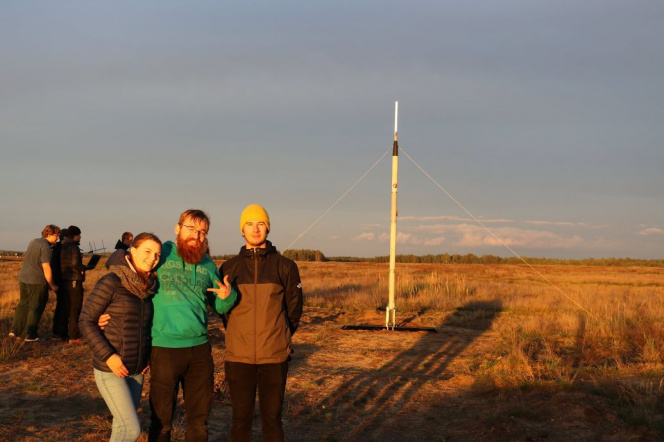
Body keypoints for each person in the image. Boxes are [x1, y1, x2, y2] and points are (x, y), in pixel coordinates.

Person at [147, 209, 237, 441]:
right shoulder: (161, 254)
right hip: (164, 348)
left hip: (199, 351)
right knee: (161, 421)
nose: (196, 236)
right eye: (191, 228)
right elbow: (127, 270)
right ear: (177, 229)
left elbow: (219, 305)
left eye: (202, 232)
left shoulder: (207, 265)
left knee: (199, 422)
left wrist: (228, 295)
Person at [220, 204, 303, 442]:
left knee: (272, 420)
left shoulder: (285, 266)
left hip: (274, 357)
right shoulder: (229, 267)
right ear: (242, 230)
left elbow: (294, 308)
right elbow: (224, 312)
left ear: (268, 227)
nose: (255, 229)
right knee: (240, 420)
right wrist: (238, 334)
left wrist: (282, 336)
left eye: (260, 224)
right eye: (249, 224)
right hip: (238, 357)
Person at [79, 233, 162, 442]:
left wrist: (147, 357)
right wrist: (109, 356)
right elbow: (86, 321)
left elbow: (145, 327)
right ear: (132, 251)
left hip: (136, 371)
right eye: (147, 251)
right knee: (131, 429)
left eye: (157, 255)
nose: (152, 258)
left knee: (120, 426)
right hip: (111, 369)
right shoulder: (112, 281)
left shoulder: (150, 286)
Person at [9, 224, 61, 342]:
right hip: (36, 281)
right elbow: (46, 268)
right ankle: (31, 336)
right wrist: (52, 285)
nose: (57, 239)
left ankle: (14, 332)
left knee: (23, 305)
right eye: (56, 236)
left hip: (23, 278)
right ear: (49, 234)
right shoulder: (46, 248)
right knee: (35, 307)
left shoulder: (34, 241)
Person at [61, 225, 86, 344]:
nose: (80, 237)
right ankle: (74, 336)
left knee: (66, 308)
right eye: (79, 235)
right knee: (75, 308)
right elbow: (75, 262)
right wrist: (82, 269)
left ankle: (65, 334)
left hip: (65, 280)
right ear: (74, 236)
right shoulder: (74, 247)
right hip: (75, 280)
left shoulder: (63, 246)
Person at [51, 228, 68, 340]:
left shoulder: (55, 248)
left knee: (59, 307)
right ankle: (61, 333)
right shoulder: (62, 250)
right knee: (63, 308)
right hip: (62, 282)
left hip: (57, 281)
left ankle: (56, 332)